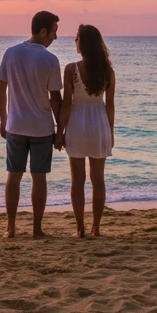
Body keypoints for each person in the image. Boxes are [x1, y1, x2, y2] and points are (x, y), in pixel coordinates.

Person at [0, 10, 63, 238]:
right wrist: (60, 129)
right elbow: (55, 98)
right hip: (42, 129)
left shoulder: (11, 53)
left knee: (13, 176)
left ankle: (11, 228)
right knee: (39, 178)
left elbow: (1, 88)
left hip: (15, 126)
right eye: (54, 32)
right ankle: (36, 230)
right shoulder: (50, 60)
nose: (55, 37)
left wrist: (4, 119)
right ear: (43, 31)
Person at [56, 24, 115, 238]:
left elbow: (67, 104)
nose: (75, 42)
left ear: (83, 43)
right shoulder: (108, 72)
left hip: (78, 125)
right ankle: (96, 228)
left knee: (77, 180)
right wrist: (111, 132)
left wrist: (60, 132)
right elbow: (110, 106)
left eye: (76, 38)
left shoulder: (71, 69)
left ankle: (79, 228)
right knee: (98, 180)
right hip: (99, 125)